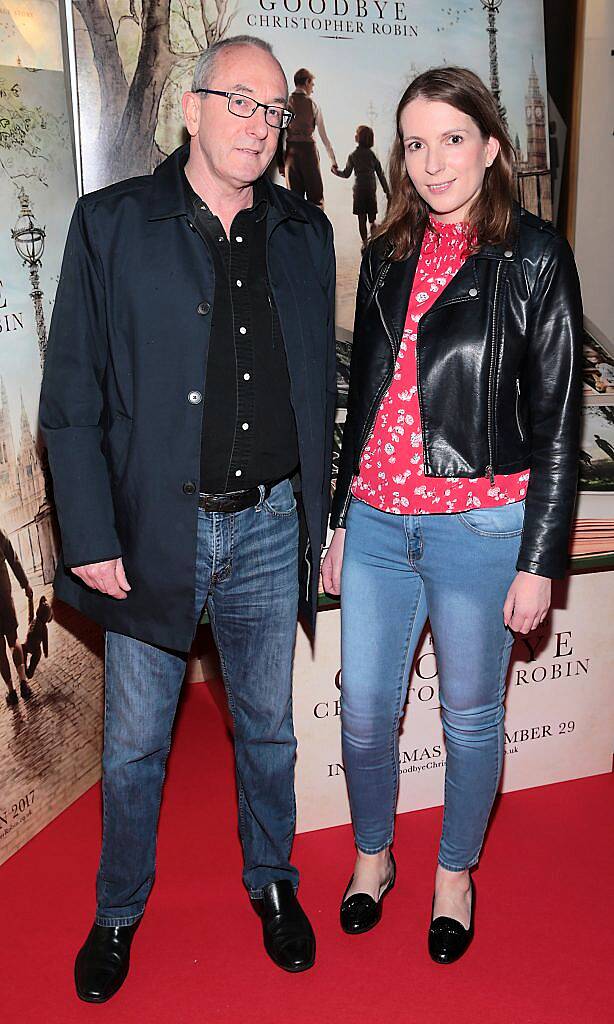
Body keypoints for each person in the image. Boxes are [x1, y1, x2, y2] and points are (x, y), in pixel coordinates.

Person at [40, 35, 336, 1002]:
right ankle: (117, 910)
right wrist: (89, 534)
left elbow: (313, 388)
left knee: (269, 731)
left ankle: (273, 885)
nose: (260, 125)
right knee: (133, 747)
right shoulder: (110, 225)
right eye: (240, 104)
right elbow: (72, 397)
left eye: (272, 112)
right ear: (191, 109)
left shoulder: (304, 231)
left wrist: (321, 523)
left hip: (270, 524)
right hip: (153, 532)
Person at [322, 66, 582, 964]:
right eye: (416, 143)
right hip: (379, 524)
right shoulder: (391, 252)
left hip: (481, 529)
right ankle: (371, 858)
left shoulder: (536, 257)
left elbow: (556, 423)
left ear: (492, 146)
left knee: (470, 721)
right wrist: (341, 520)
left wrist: (539, 560)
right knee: (363, 712)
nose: (433, 162)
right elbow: (360, 402)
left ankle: (454, 875)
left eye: (452, 139)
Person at [283, 67, 337, 208]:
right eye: (312, 84)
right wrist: (333, 160)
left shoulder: (286, 104)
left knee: (294, 202)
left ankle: (298, 230)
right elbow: (324, 137)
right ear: (307, 82)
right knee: (316, 199)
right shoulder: (313, 104)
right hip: (309, 153)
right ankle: (317, 229)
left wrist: (280, 162)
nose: (312, 89)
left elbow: (281, 134)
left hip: (291, 155)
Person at [332, 125, 390, 247]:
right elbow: (380, 174)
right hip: (370, 189)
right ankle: (374, 233)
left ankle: (364, 243)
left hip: (358, 190)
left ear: (358, 138)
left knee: (361, 218)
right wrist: (387, 191)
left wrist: (336, 172)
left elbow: (346, 174)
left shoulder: (353, 155)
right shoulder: (372, 155)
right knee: (372, 217)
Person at [0, 527, 33, 706]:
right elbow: (13, 560)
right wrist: (25, 584)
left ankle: (11, 692)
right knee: (14, 641)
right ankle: (23, 683)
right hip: (3, 597)